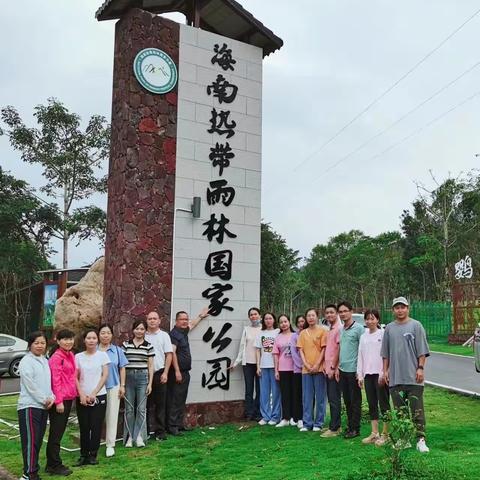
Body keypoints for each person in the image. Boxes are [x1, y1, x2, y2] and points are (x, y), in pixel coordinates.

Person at [381, 297, 430, 453]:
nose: (400, 310)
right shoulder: (389, 328)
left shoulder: (416, 326)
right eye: (397, 308)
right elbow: (385, 353)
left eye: (403, 307)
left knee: (417, 410)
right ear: (393, 310)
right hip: (395, 377)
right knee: (400, 410)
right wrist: (385, 371)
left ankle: (420, 439)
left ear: (408, 308)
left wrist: (420, 368)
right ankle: (405, 438)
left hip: (413, 376)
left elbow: (422, 351)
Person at [17, 331, 55, 480]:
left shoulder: (45, 360)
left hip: (43, 406)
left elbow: (47, 383)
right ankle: (29, 473)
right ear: (30, 344)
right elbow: (30, 385)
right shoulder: (26, 361)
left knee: (38, 440)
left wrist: (51, 397)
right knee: (30, 440)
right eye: (36, 343)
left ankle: (32, 469)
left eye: (43, 343)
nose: (40, 346)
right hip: (30, 406)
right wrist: (43, 399)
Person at [167, 308, 209, 435]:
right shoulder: (174, 334)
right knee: (175, 399)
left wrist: (200, 316)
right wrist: (177, 371)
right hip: (177, 373)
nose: (185, 321)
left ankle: (179, 424)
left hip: (185, 372)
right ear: (176, 321)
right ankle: (172, 426)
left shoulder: (182, 332)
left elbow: (191, 325)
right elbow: (172, 352)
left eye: (186, 319)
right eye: (182, 319)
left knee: (181, 399)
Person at [75, 329, 110, 466]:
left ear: (97, 340)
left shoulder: (102, 356)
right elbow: (75, 377)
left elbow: (105, 375)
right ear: (84, 340)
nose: (91, 340)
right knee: (84, 426)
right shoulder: (78, 357)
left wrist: (94, 393)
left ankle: (93, 455)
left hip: (99, 395)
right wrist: (82, 394)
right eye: (88, 338)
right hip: (82, 397)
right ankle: (83, 455)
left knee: (96, 426)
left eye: (94, 338)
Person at [357, 309, 390, 445]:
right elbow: (360, 356)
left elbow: (387, 355)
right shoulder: (363, 336)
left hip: (380, 375)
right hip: (368, 374)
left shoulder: (383, 334)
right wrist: (360, 374)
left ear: (377, 320)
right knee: (372, 404)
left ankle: (385, 434)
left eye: (373, 318)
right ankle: (374, 433)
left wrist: (384, 372)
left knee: (384, 404)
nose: (370, 321)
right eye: (367, 319)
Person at [46, 329, 77, 476]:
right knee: (56, 433)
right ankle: (53, 464)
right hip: (61, 400)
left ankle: (53, 463)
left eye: (70, 339)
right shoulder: (57, 357)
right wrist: (58, 402)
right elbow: (55, 381)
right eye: (65, 339)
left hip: (68, 398)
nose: (68, 341)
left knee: (59, 432)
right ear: (58, 341)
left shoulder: (70, 355)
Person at [122, 319, 154, 447]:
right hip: (128, 378)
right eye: (137, 329)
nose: (139, 331)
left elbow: (150, 366)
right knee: (129, 409)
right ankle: (130, 437)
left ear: (145, 330)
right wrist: (122, 384)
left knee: (141, 409)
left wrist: (150, 383)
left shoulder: (149, 346)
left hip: (143, 378)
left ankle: (139, 436)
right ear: (133, 330)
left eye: (142, 329)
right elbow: (122, 365)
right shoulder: (126, 345)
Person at [98, 324, 128, 457]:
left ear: (111, 335)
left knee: (112, 416)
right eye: (103, 333)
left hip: (113, 386)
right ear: (98, 335)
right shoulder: (94, 350)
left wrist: (122, 385)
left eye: (108, 333)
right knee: (95, 417)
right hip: (96, 388)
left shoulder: (117, 350)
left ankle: (110, 445)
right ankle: (93, 442)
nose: (105, 335)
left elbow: (122, 368)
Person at [297, 308, 328, 432]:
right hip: (306, 370)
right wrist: (307, 365)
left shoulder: (323, 331)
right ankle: (307, 423)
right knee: (307, 398)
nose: (311, 318)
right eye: (308, 315)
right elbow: (301, 350)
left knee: (320, 397)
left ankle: (318, 423)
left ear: (317, 317)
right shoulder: (303, 333)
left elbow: (323, 349)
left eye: (313, 315)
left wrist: (316, 365)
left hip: (319, 369)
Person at [145, 311, 173, 441]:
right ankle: (144, 431)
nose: (152, 321)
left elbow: (169, 355)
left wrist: (166, 372)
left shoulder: (164, 336)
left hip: (160, 373)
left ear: (159, 321)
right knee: (144, 404)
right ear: (147, 320)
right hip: (144, 375)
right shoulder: (142, 335)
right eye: (150, 319)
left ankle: (160, 431)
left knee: (161, 404)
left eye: (154, 318)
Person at [230, 307, 262, 421]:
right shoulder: (246, 329)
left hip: (260, 364)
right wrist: (236, 363)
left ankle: (258, 413)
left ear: (260, 315)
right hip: (247, 363)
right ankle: (249, 413)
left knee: (260, 390)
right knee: (249, 389)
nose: (253, 316)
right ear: (249, 317)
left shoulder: (263, 329)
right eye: (251, 315)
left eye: (255, 314)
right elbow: (242, 347)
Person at [338, 301, 364, 439]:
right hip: (342, 370)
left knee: (355, 401)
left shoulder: (359, 329)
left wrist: (360, 372)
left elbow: (362, 350)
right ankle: (350, 426)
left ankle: (356, 428)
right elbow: (341, 349)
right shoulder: (341, 329)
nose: (343, 314)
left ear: (351, 311)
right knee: (347, 400)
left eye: (345, 311)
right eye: (340, 312)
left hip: (354, 371)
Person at [321, 304, 343, 438]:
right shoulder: (330, 329)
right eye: (327, 313)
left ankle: (335, 428)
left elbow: (339, 350)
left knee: (334, 399)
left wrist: (334, 367)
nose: (329, 315)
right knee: (332, 398)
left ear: (337, 314)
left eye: (332, 313)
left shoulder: (339, 329)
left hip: (334, 370)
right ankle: (333, 425)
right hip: (327, 369)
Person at [255, 312, 281, 426]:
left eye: (270, 318)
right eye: (266, 319)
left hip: (276, 366)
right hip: (264, 366)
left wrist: (278, 368)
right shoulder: (260, 333)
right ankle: (265, 416)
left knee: (276, 392)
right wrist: (258, 366)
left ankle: (275, 416)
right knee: (264, 392)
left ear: (274, 320)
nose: (268, 320)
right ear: (263, 320)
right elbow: (257, 350)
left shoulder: (278, 332)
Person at [273, 314, 295, 427]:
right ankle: (286, 418)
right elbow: (276, 355)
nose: (284, 324)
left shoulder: (295, 335)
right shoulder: (278, 337)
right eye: (281, 322)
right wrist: (276, 370)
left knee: (294, 393)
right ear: (279, 324)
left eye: (285, 321)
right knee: (285, 394)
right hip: (283, 369)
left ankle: (294, 417)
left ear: (289, 322)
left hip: (295, 369)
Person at [290, 315, 305, 428]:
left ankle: (307, 416)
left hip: (310, 369)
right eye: (299, 321)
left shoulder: (309, 333)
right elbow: (294, 354)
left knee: (308, 395)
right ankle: (298, 417)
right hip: (298, 370)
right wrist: (302, 365)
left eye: (302, 321)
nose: (301, 323)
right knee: (298, 394)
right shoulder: (294, 336)